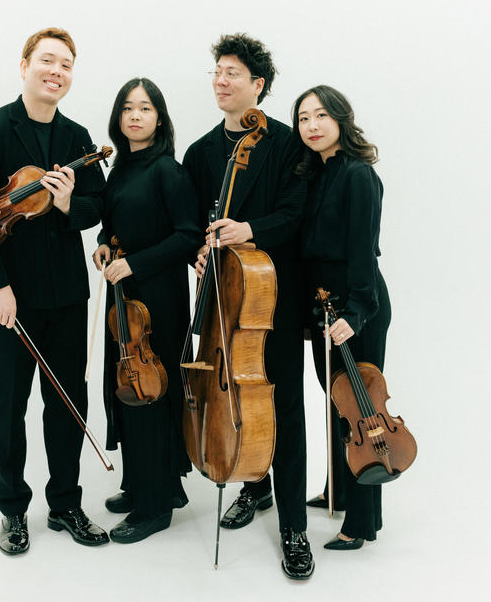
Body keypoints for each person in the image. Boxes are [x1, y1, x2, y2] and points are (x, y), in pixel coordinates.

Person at [0, 27, 109, 555]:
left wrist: (66, 205)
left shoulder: (79, 139)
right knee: (9, 405)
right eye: (46, 61)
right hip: (7, 298)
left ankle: (64, 504)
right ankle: (13, 511)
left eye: (65, 64)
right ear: (25, 66)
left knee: (68, 405)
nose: (55, 71)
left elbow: (97, 207)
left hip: (66, 294)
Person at [182, 33, 313, 580]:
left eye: (232, 72)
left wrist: (248, 229)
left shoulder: (286, 145)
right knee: (233, 392)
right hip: (220, 301)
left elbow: (297, 212)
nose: (221, 80)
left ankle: (294, 526)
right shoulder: (200, 152)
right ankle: (253, 485)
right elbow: (190, 221)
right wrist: (199, 247)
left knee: (283, 405)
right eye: (217, 71)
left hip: (269, 299)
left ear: (258, 85)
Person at [92, 78, 201, 544]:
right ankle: (145, 483)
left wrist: (133, 263)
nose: (135, 116)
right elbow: (113, 223)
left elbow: (188, 235)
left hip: (159, 301)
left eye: (146, 108)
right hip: (125, 300)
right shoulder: (119, 170)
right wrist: (101, 245)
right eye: (128, 109)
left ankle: (155, 507)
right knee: (129, 388)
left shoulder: (168, 171)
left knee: (153, 395)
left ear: (160, 118)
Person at [293, 84, 391, 550]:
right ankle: (337, 488)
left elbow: (364, 254)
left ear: (340, 119)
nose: (311, 126)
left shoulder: (358, 175)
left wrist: (355, 312)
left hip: (357, 307)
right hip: (323, 306)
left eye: (319, 116)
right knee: (336, 402)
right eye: (303, 118)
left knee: (361, 411)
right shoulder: (314, 174)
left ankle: (362, 522)